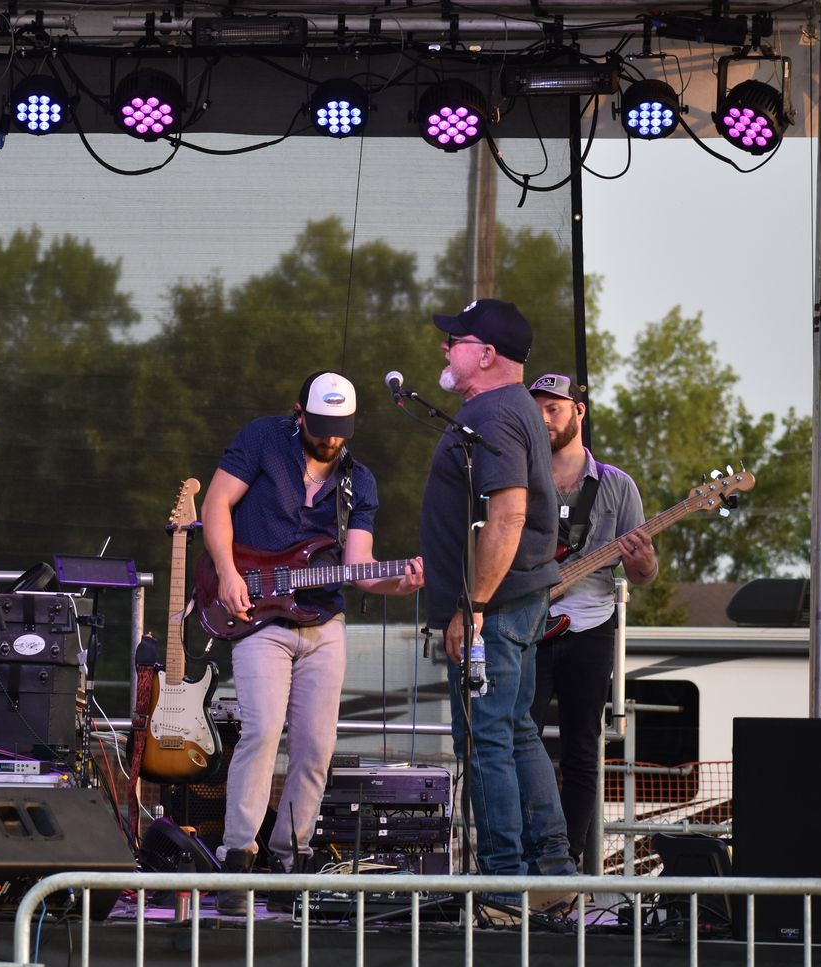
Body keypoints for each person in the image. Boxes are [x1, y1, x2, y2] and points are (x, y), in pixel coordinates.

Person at [201, 371, 424, 916]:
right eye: (321, 426)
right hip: (259, 618)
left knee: (316, 745)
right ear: (299, 412)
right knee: (261, 730)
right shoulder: (262, 438)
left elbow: (359, 568)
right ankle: (237, 858)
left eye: (340, 428)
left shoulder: (358, 482)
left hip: (323, 624)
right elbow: (216, 504)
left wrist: (398, 584)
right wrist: (227, 573)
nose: (331, 438)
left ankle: (290, 861)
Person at [417, 299, 578, 897]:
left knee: (488, 738)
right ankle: (552, 873)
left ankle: (506, 885)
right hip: (515, 600)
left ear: (485, 354)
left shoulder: (494, 412)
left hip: (498, 606)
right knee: (515, 731)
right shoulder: (510, 408)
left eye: (456, 340)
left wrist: (474, 606)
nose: (445, 347)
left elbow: (508, 515)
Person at [529, 372, 658, 871]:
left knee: (583, 749)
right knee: (520, 740)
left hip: (591, 626)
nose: (544, 418)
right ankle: (526, 854)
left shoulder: (617, 486)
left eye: (553, 408)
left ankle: (566, 861)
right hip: (526, 626)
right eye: (537, 408)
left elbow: (642, 575)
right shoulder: (521, 479)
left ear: (579, 412)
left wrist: (644, 560)